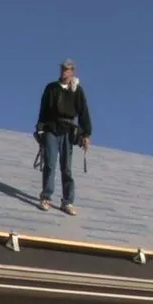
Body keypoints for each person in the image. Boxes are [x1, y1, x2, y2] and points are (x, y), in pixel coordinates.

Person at [34, 59, 92, 215]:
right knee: (50, 164)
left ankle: (67, 201)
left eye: (67, 69)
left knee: (66, 168)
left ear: (72, 71)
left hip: (68, 130)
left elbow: (84, 113)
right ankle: (46, 197)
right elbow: (43, 110)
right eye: (62, 69)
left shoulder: (77, 91)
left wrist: (86, 134)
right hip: (52, 128)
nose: (64, 71)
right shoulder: (51, 88)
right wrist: (40, 129)